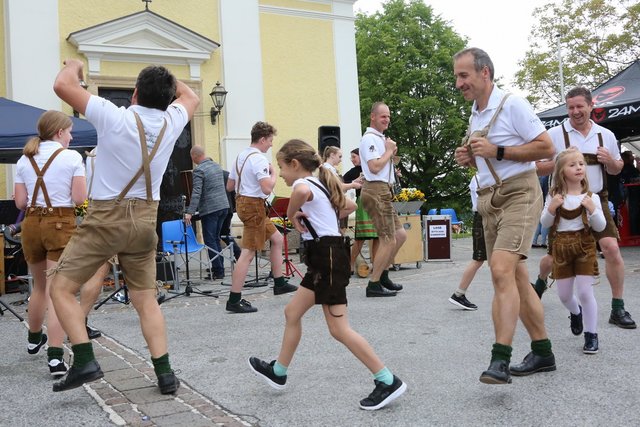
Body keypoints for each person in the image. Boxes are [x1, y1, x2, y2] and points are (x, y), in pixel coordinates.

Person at [49, 59, 199, 394]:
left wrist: (74, 66)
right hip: (146, 219)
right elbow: (191, 97)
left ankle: (85, 359)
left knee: (60, 288)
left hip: (106, 218)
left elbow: (62, 84)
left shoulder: (114, 115)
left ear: (134, 94)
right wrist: (168, 83)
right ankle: (166, 375)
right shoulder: (172, 120)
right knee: (146, 299)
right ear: (166, 97)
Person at [248, 139, 406, 410]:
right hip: (324, 259)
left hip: (328, 260)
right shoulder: (322, 183)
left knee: (339, 329)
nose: (281, 174)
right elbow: (350, 206)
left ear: (295, 164)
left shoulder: (303, 185)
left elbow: (296, 197)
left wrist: (292, 213)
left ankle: (387, 379)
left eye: (282, 167)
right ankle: (279, 372)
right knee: (292, 313)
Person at [453, 47, 556, 384]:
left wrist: (497, 150)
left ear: (485, 73)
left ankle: (500, 360)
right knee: (515, 277)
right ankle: (542, 351)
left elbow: (546, 147)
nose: (459, 83)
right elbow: (488, 156)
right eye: (457, 76)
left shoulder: (512, 104)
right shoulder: (475, 114)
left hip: (519, 193)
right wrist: (470, 157)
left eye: (464, 75)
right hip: (488, 199)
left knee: (500, 270)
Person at [535, 87, 636, 329]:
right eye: (570, 107)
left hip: (595, 198)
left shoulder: (606, 135)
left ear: (591, 106)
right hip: (562, 200)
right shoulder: (555, 135)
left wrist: (610, 161)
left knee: (611, 248)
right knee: (552, 255)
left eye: (580, 106)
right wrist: (557, 163)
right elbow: (538, 168)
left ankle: (618, 307)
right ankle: (538, 286)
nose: (575, 112)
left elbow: (616, 168)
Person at [14, 110, 86, 377]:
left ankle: (34, 339)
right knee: (60, 291)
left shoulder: (25, 158)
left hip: (31, 224)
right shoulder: (71, 157)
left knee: (40, 287)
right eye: (69, 131)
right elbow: (80, 199)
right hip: (60, 222)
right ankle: (55, 357)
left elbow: (20, 203)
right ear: (58, 132)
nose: (71, 136)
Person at [225, 121, 297, 313]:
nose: (271, 145)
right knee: (248, 253)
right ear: (263, 139)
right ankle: (234, 299)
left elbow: (230, 186)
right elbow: (267, 187)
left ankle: (279, 282)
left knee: (277, 238)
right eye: (270, 140)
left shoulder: (241, 156)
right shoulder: (258, 159)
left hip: (243, 202)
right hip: (254, 206)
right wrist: (273, 173)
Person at [541, 148, 605, 354]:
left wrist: (593, 210)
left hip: (584, 247)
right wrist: (552, 208)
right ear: (561, 172)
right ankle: (575, 313)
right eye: (572, 165)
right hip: (561, 248)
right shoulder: (554, 196)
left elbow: (600, 226)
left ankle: (591, 334)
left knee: (586, 292)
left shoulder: (591, 197)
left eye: (581, 164)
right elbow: (545, 223)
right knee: (564, 295)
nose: (579, 168)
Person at [359, 102, 407, 297]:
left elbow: (383, 165)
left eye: (388, 116)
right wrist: (388, 150)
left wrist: (390, 153)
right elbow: (374, 167)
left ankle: (383, 274)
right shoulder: (369, 139)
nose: (387, 119)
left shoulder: (379, 138)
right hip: (375, 190)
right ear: (373, 117)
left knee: (400, 235)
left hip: (383, 190)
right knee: (388, 239)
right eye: (383, 116)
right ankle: (374, 283)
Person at [184, 145, 230, 280]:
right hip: (223, 207)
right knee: (216, 238)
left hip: (211, 209)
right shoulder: (216, 166)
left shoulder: (199, 170)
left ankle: (218, 271)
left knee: (210, 240)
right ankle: (219, 267)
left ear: (194, 156)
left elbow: (196, 192)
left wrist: (190, 212)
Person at [448, 175, 483, 311]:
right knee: (478, 258)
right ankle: (459, 293)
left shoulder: (480, 176)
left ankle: (459, 293)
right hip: (483, 217)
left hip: (483, 217)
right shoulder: (481, 176)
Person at [343, 148, 379, 275]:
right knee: (361, 237)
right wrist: (354, 182)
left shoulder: (372, 168)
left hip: (376, 202)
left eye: (354, 157)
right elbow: (341, 182)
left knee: (377, 237)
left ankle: (376, 265)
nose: (352, 160)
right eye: (351, 157)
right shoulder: (353, 172)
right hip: (363, 203)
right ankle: (350, 265)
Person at [221, 169, 242, 261]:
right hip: (228, 208)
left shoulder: (208, 174)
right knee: (225, 233)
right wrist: (233, 207)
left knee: (213, 236)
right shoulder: (227, 174)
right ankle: (238, 253)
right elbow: (234, 192)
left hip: (217, 209)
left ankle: (217, 263)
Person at [620, 151, 640, 236]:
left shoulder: (630, 168)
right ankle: (634, 232)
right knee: (633, 213)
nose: (633, 157)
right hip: (630, 194)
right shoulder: (626, 168)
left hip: (633, 193)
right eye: (631, 156)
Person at [531, 175, 550, 248]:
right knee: (544, 223)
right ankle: (543, 242)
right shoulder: (546, 177)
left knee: (538, 222)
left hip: (538, 199)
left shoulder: (540, 176)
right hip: (544, 199)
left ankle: (534, 241)